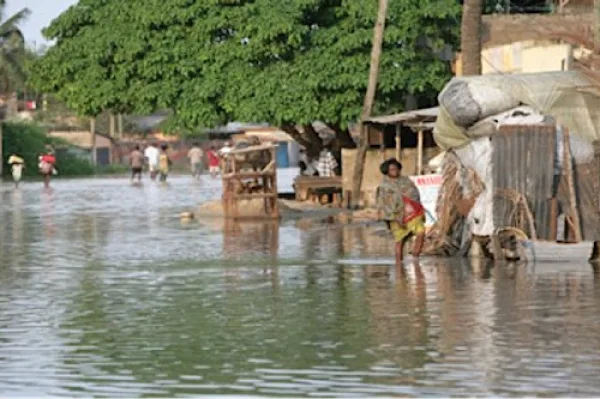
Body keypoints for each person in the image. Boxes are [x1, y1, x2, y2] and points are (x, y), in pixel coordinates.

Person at [376, 158, 426, 264]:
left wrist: (417, 207)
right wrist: (394, 217)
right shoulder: (384, 187)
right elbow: (384, 204)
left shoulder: (406, 181)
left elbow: (415, 194)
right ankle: (399, 264)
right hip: (396, 215)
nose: (395, 171)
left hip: (412, 213)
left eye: (396, 169)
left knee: (421, 232)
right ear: (387, 172)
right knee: (400, 240)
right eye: (392, 170)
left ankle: (415, 258)